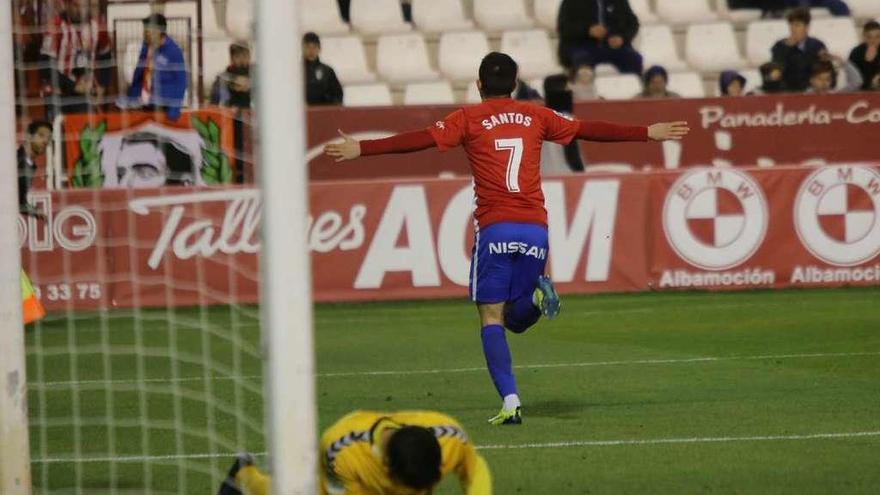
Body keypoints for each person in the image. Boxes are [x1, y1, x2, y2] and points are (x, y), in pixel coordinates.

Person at [324, 52, 689, 424]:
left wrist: (362, 148)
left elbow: (419, 140)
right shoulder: (536, 115)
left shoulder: (467, 118)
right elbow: (587, 129)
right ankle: (534, 295)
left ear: (478, 84)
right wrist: (647, 132)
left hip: (495, 226)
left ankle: (511, 400)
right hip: (535, 228)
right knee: (517, 319)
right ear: (515, 84)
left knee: (492, 317)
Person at [217, 410, 491, 495]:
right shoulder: (342, 452)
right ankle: (243, 475)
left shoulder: (450, 437)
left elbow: (474, 469)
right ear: (387, 467)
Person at [39, 0, 111, 114]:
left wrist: (102, 85)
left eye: (84, 6)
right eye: (75, 6)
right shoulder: (56, 26)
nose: (80, 10)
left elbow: (106, 55)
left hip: (85, 93)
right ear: (67, 5)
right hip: (59, 92)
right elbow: (44, 66)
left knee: (85, 127)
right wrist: (73, 86)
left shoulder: (98, 25)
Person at [122, 13, 188, 120]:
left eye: (147, 31)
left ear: (158, 31)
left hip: (164, 107)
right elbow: (139, 74)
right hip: (145, 104)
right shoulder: (146, 47)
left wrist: (174, 109)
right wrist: (131, 97)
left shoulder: (173, 51)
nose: (144, 34)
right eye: (144, 31)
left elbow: (181, 81)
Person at [557, 0, 642, 74]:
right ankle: (583, 91)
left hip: (611, 46)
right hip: (581, 46)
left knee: (634, 59)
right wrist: (588, 30)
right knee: (583, 63)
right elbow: (563, 28)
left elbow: (633, 24)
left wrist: (622, 38)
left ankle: (633, 91)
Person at [771, 8, 827, 92]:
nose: (793, 29)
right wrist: (788, 49)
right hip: (787, 92)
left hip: (812, 92)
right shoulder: (780, 46)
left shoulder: (817, 46)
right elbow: (776, 72)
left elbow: (823, 71)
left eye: (797, 25)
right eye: (791, 25)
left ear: (807, 27)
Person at [18, 120, 52, 214]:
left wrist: (35, 211)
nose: (45, 141)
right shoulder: (14, 161)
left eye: (48, 138)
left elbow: (18, 201)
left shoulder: (31, 165)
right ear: (29, 136)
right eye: (41, 135)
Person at [303, 32, 344, 106]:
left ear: (319, 49)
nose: (311, 50)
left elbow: (338, 96)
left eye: (314, 47)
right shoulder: (296, 71)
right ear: (303, 48)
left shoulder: (327, 71)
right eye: (308, 47)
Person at [210, 41, 253, 108]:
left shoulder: (256, 74)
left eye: (245, 56)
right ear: (232, 58)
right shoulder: (223, 78)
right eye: (238, 56)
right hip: (231, 113)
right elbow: (214, 101)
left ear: (249, 56)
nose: (242, 60)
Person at [849, 21, 880, 92]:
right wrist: (868, 62)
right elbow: (854, 79)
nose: (873, 40)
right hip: (862, 91)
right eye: (869, 37)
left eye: (877, 37)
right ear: (864, 36)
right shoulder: (856, 53)